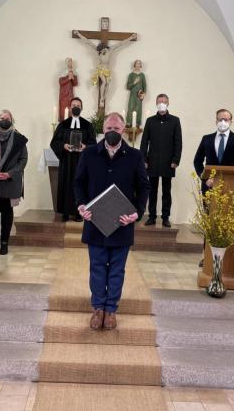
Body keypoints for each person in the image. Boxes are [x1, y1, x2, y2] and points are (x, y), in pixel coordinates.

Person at [74, 112, 150, 330]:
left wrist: (137, 212)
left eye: (116, 129)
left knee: (117, 269)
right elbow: (78, 183)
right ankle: (98, 308)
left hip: (122, 222)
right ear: (103, 130)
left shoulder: (135, 156)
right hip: (95, 220)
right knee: (97, 267)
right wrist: (81, 205)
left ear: (123, 130)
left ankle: (111, 310)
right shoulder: (89, 154)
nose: (112, 133)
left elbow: (144, 187)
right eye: (108, 129)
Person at [193, 108, 234, 266]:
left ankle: (227, 258)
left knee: (227, 222)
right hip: (209, 188)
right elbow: (197, 161)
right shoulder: (207, 139)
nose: (223, 122)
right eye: (220, 119)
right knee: (210, 222)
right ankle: (208, 257)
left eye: (226, 119)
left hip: (230, 189)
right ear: (215, 120)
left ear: (231, 121)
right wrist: (205, 179)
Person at [0, 110, 29, 255]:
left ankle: (5, 243)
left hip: (10, 181)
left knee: (7, 212)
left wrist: (9, 173)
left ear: (12, 121)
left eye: (7, 118)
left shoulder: (19, 139)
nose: (4, 120)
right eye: (2, 118)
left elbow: (23, 160)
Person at [50, 97, 97, 221]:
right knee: (66, 185)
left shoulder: (88, 125)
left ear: (81, 108)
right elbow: (54, 142)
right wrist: (64, 146)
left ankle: (78, 213)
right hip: (67, 161)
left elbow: (94, 143)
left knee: (81, 186)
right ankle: (65, 212)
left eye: (78, 105)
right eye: (73, 105)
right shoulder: (63, 125)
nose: (75, 107)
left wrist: (85, 147)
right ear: (70, 108)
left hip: (82, 162)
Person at [140, 93, 182, 227]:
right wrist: (144, 159)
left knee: (166, 191)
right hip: (152, 161)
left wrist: (176, 159)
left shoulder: (175, 120)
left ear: (168, 103)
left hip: (169, 162)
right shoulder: (150, 121)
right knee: (151, 190)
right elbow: (144, 141)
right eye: (159, 101)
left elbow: (178, 142)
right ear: (156, 103)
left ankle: (165, 217)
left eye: (164, 101)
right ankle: (151, 216)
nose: (162, 104)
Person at [125, 59, 147, 126]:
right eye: (136, 63)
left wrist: (144, 93)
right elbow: (128, 86)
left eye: (139, 63)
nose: (138, 65)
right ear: (134, 65)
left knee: (138, 108)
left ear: (140, 65)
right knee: (130, 107)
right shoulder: (131, 75)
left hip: (139, 94)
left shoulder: (142, 75)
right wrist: (134, 82)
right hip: (133, 94)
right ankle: (129, 123)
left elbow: (144, 85)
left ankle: (137, 123)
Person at [58, 57, 78, 121]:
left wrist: (73, 78)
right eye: (69, 61)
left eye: (71, 61)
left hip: (70, 95)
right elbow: (61, 82)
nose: (71, 63)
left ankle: (70, 121)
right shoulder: (63, 72)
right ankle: (63, 121)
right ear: (66, 63)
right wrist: (68, 78)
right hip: (64, 95)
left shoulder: (73, 71)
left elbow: (75, 83)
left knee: (71, 108)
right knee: (64, 109)